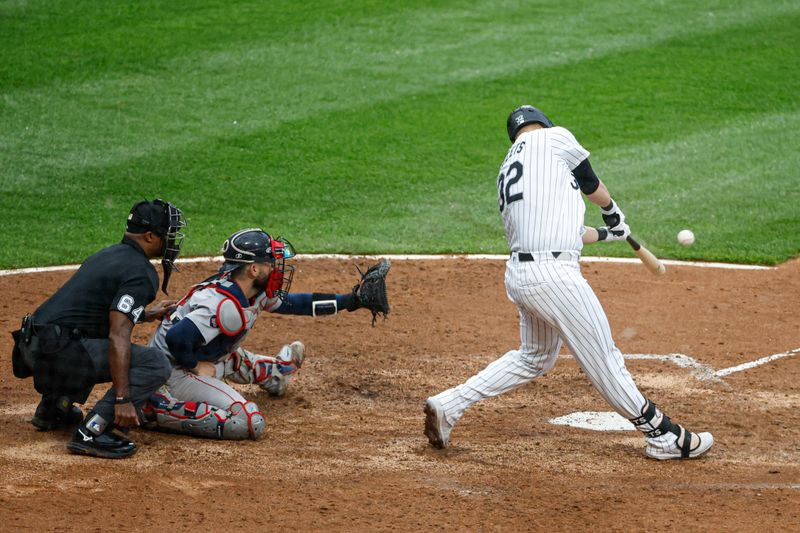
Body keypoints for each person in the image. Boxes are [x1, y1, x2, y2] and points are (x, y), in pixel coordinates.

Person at [423, 105, 713, 460]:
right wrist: (611, 210)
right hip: (554, 278)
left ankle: (450, 404)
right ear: (542, 124)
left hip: (522, 275)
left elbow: (571, 230)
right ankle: (662, 435)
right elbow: (591, 184)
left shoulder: (510, 168)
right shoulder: (555, 137)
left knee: (534, 358)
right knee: (605, 358)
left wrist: (610, 233)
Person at [142, 228, 390, 440]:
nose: (276, 269)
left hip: (201, 355)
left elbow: (296, 303)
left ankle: (275, 372)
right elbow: (177, 338)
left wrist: (351, 300)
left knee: (233, 357)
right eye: (270, 264)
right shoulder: (221, 304)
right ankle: (160, 408)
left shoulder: (251, 291)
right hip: (170, 373)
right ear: (253, 269)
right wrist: (195, 365)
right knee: (248, 421)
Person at [11, 199, 186, 459]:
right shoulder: (141, 272)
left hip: (33, 347)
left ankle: (53, 409)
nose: (172, 241)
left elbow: (92, 312)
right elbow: (118, 333)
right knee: (154, 363)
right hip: (59, 354)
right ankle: (92, 431)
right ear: (150, 236)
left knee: (85, 336)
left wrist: (147, 314)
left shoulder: (108, 255)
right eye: (167, 235)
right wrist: (123, 399)